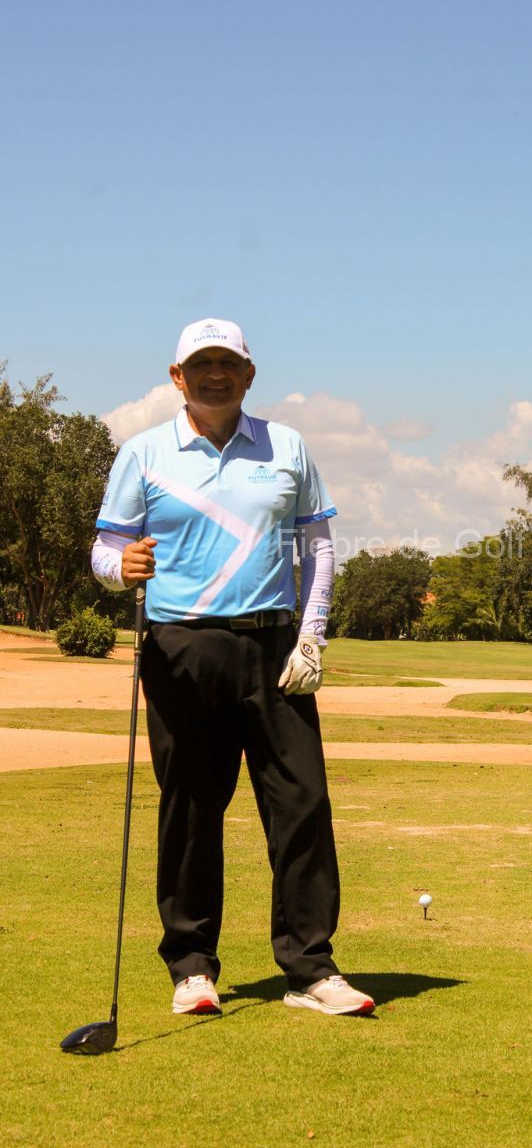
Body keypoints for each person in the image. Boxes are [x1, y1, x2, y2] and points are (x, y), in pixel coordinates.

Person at [91, 318, 374, 1017]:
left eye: (228, 363)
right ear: (177, 376)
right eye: (201, 364)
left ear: (249, 374)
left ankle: (310, 969)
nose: (215, 374)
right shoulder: (144, 453)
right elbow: (106, 550)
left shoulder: (287, 446)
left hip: (274, 645)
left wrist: (311, 637)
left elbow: (318, 547)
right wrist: (120, 568)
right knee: (191, 806)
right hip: (181, 648)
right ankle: (192, 967)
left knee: (301, 804)